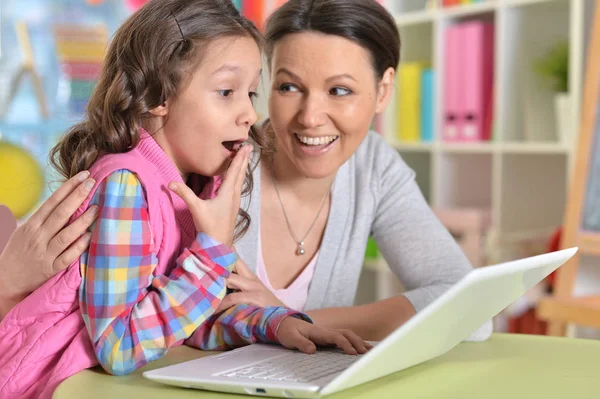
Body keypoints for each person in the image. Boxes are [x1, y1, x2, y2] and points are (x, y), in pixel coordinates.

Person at [1, 0, 491, 345]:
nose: (310, 117)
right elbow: (138, 321)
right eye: (287, 87)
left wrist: (285, 317)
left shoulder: (374, 167)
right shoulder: (212, 161)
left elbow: (471, 312)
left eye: (340, 90)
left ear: (384, 91)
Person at [0, 1, 369, 398]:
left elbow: (183, 318)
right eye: (226, 92)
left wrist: (275, 325)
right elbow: (119, 346)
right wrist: (211, 251)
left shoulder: (187, 187)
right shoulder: (126, 186)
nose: (248, 114)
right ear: (158, 95)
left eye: (250, 92)